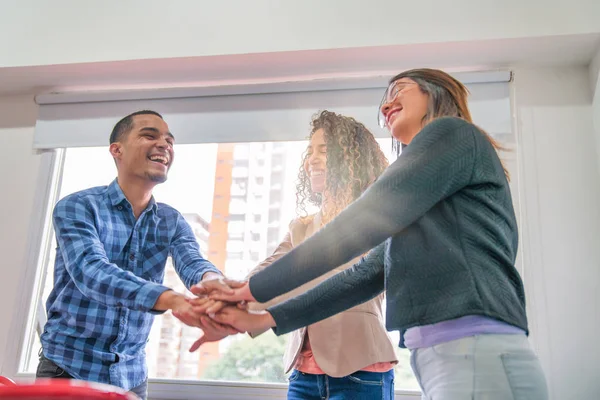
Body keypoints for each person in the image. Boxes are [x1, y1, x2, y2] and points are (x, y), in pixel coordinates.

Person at [201, 69, 549, 399]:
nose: (385, 105)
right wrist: (263, 316)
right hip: (446, 355)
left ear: (435, 92)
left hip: (475, 349)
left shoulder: (453, 133)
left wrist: (250, 289)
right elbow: (365, 275)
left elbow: (364, 220)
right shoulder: (425, 200)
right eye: (384, 100)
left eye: (399, 91)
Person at [189, 111, 397, 399]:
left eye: (324, 151)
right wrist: (224, 300)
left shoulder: (377, 219)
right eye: (310, 151)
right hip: (303, 375)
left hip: (360, 370)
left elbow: (349, 279)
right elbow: (269, 273)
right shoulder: (301, 227)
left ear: (352, 160)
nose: (312, 159)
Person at [37, 110, 237, 400]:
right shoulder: (77, 206)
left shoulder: (171, 220)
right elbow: (91, 272)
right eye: (149, 135)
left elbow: (194, 263)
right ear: (116, 150)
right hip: (67, 370)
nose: (165, 145)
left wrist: (214, 283)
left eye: (170, 140)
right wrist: (170, 299)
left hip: (130, 378)